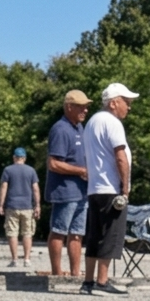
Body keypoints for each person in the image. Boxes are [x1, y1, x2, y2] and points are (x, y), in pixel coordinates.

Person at [81, 82, 137, 295]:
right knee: (110, 234)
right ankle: (102, 282)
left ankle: (88, 281)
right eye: (126, 102)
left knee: (94, 235)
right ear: (114, 103)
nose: (129, 107)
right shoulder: (112, 123)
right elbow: (120, 157)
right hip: (110, 187)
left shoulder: (92, 122)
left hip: (95, 187)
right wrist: (125, 186)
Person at [46, 90, 91, 278]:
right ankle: (56, 273)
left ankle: (75, 273)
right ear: (69, 107)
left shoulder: (79, 128)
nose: (85, 110)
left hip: (81, 192)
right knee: (59, 231)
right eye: (81, 106)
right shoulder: (60, 129)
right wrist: (81, 171)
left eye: (87, 106)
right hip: (65, 191)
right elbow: (53, 163)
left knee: (77, 233)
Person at [0, 147, 40, 267]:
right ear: (24, 158)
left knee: (12, 233)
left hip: (12, 206)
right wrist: (37, 205)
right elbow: (36, 189)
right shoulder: (31, 171)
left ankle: (14, 260)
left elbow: (3, 188)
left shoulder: (7, 170)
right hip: (27, 206)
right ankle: (27, 259)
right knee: (27, 233)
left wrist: (1, 204)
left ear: (14, 158)